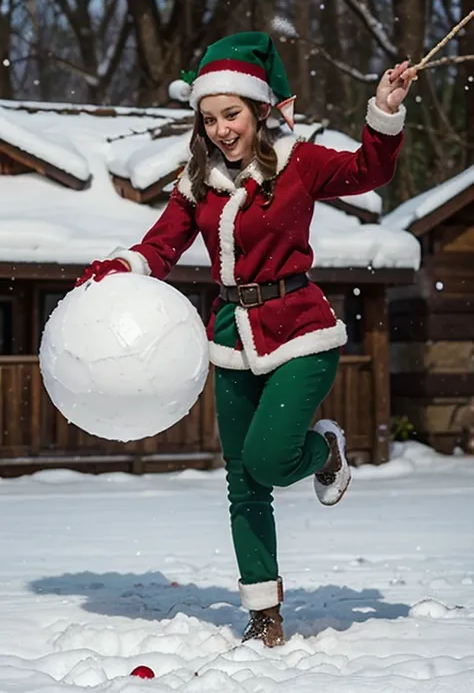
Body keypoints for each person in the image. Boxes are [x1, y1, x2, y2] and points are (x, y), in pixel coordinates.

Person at [77, 32, 416, 647]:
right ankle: (264, 611)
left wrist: (384, 110)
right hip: (232, 335)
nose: (220, 130)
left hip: (301, 330)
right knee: (242, 479)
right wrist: (123, 266)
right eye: (208, 119)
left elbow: (369, 171)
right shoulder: (197, 179)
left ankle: (327, 452)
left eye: (230, 114)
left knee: (268, 459)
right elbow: (164, 242)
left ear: (260, 108)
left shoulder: (301, 161)